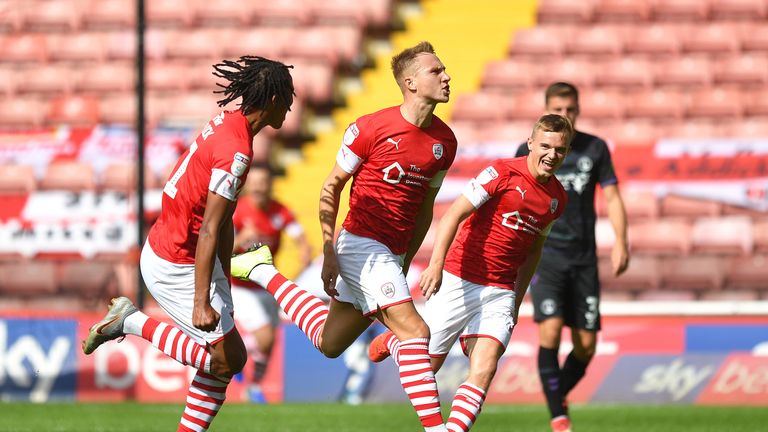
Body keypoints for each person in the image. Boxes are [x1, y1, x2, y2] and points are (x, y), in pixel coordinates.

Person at [231, 41, 456, 432]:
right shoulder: (371, 127)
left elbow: (424, 209)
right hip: (361, 244)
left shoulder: (445, 143)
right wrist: (330, 249)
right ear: (411, 82)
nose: (446, 76)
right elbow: (331, 185)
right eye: (436, 71)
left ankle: (263, 272)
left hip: (391, 255)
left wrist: (404, 259)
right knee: (417, 332)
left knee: (329, 343)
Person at [81, 56, 295, 432]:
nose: (292, 105)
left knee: (221, 368)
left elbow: (222, 218)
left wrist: (223, 276)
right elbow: (210, 226)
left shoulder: (228, 125)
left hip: (187, 251)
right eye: (289, 96)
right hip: (177, 260)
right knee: (232, 360)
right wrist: (201, 300)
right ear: (274, 99)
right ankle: (130, 321)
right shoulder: (238, 152)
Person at [368, 114, 573, 432]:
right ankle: (397, 343)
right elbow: (454, 215)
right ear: (531, 143)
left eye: (560, 150)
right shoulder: (502, 172)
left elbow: (534, 250)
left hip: (500, 291)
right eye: (545, 146)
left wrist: (516, 301)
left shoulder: (557, 199)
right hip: (459, 278)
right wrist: (436, 265)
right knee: (428, 367)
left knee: (485, 368)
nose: (551, 155)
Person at [515, 82, 630, 432]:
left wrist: (622, 240)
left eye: (570, 109)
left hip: (583, 258)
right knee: (549, 331)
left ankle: (556, 394)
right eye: (557, 109)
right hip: (546, 256)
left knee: (586, 345)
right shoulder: (528, 149)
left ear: (578, 109)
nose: (565, 115)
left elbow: (612, 197)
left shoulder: (594, 148)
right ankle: (558, 418)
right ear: (546, 110)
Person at [230, 161, 313, 403]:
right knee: (265, 336)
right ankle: (235, 355)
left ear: (270, 185)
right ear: (247, 186)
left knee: (270, 342)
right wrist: (242, 239)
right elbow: (219, 250)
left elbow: (299, 236)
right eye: (254, 183)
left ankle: (253, 386)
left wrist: (304, 253)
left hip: (267, 285)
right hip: (240, 285)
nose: (258, 188)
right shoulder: (238, 211)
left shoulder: (280, 211)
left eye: (262, 183)